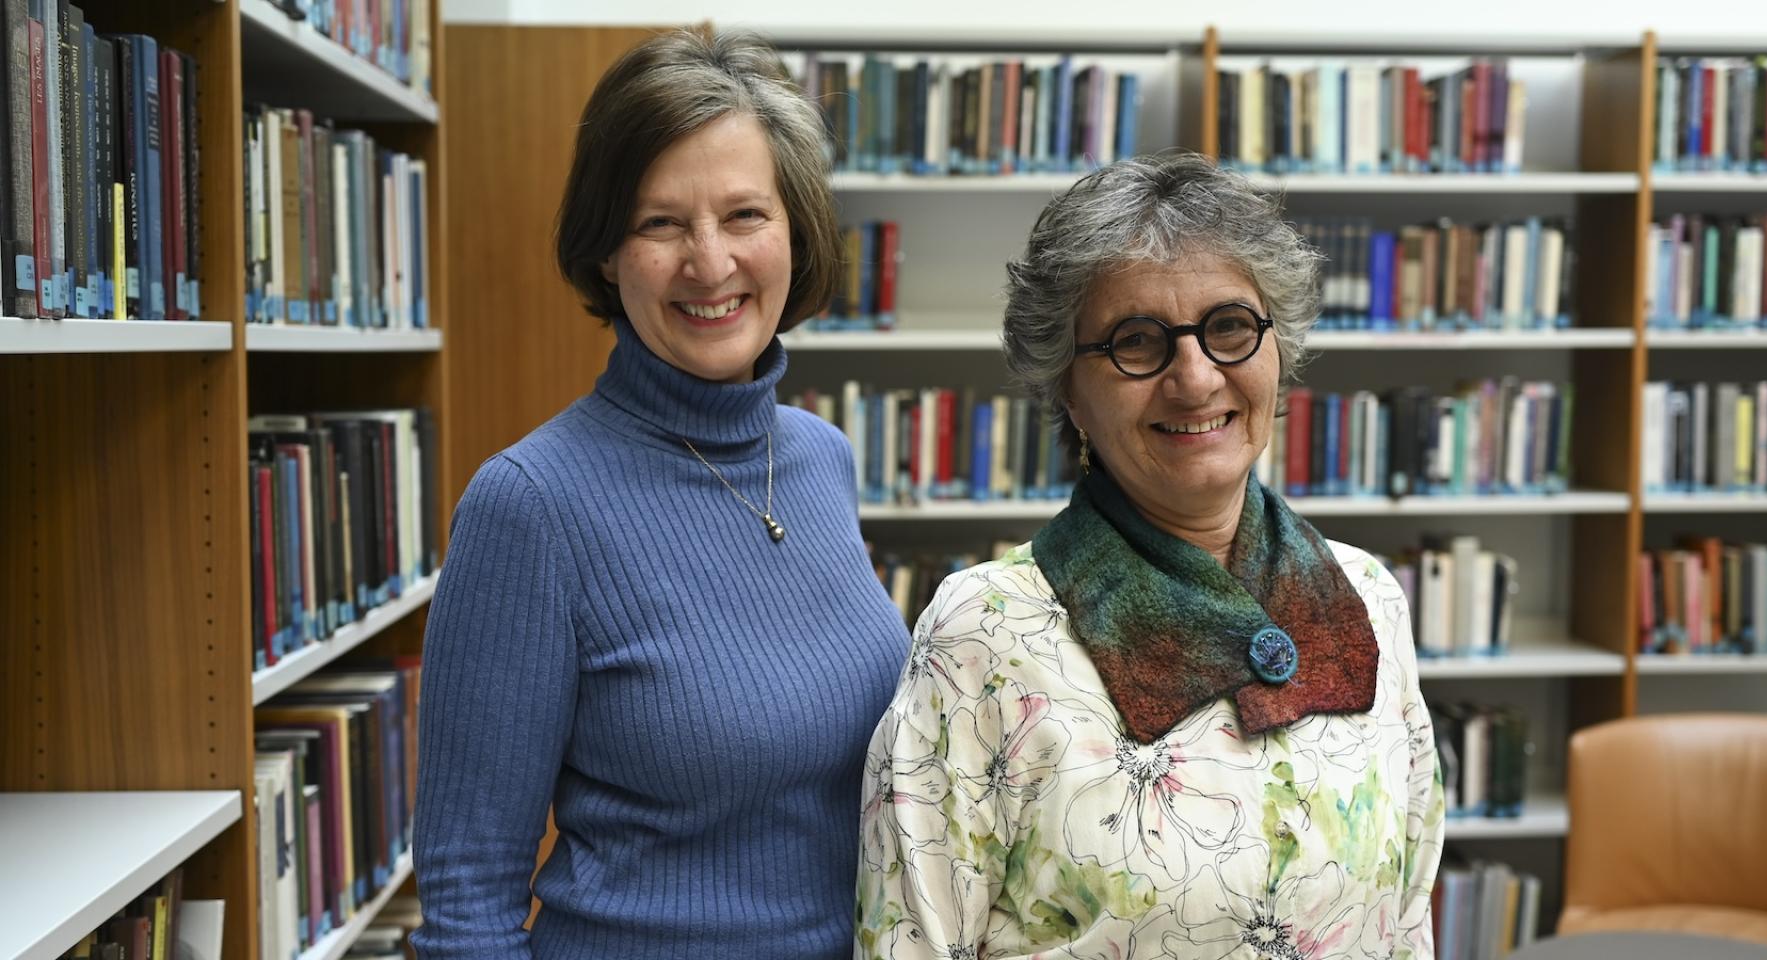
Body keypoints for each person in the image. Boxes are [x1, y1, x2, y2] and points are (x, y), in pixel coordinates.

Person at [855, 152, 1444, 959]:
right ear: (1069, 388)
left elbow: (1406, 919)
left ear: (1279, 349)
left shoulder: (1369, 597)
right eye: (1138, 343)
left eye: (1230, 327)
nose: (1196, 379)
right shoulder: (983, 636)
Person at [410, 30, 910, 959]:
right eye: (661, 223)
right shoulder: (529, 506)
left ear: (795, 234)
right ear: (606, 254)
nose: (710, 263)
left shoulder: (823, 459)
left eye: (744, 215)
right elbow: (467, 893)